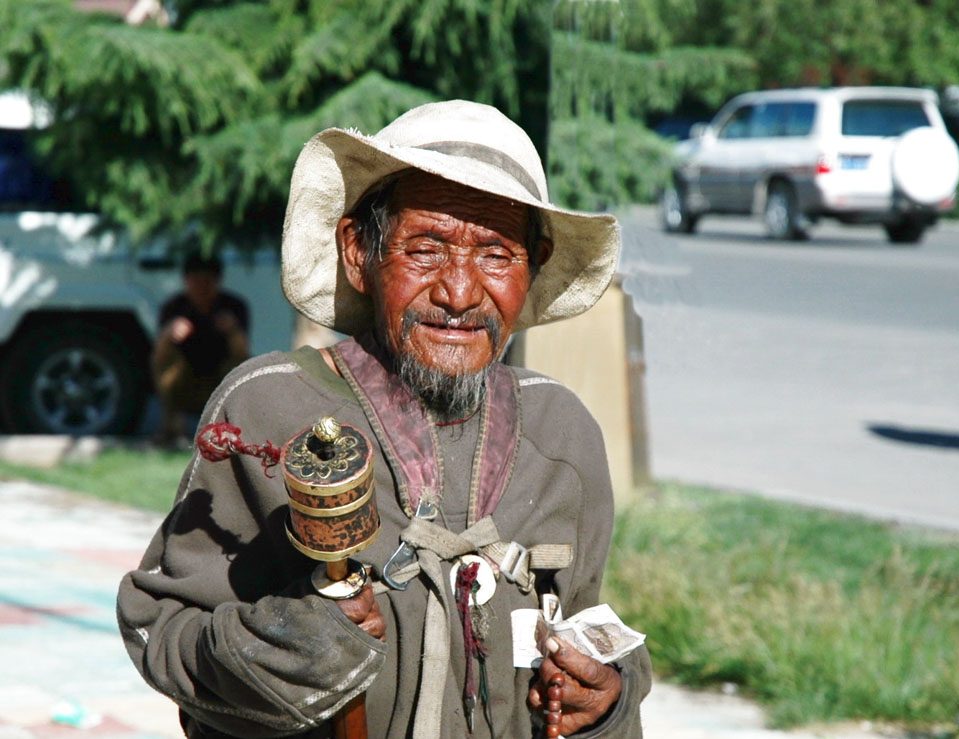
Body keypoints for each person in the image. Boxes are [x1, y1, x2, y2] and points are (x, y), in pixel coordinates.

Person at [118, 100, 651, 738]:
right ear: (358, 253)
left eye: (496, 255)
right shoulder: (269, 409)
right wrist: (280, 647)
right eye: (426, 249)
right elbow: (163, 625)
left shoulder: (560, 433)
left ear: (533, 265)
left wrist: (606, 698)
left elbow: (587, 624)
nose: (459, 293)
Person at [150, 252, 249, 446]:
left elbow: (242, 353)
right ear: (186, 281)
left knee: (242, 368)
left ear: (218, 281)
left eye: (208, 282)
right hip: (186, 381)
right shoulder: (174, 307)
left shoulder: (234, 306)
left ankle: (232, 429)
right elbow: (158, 358)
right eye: (196, 281)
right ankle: (171, 428)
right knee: (165, 364)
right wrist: (169, 334)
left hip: (220, 379)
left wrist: (233, 331)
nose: (202, 288)